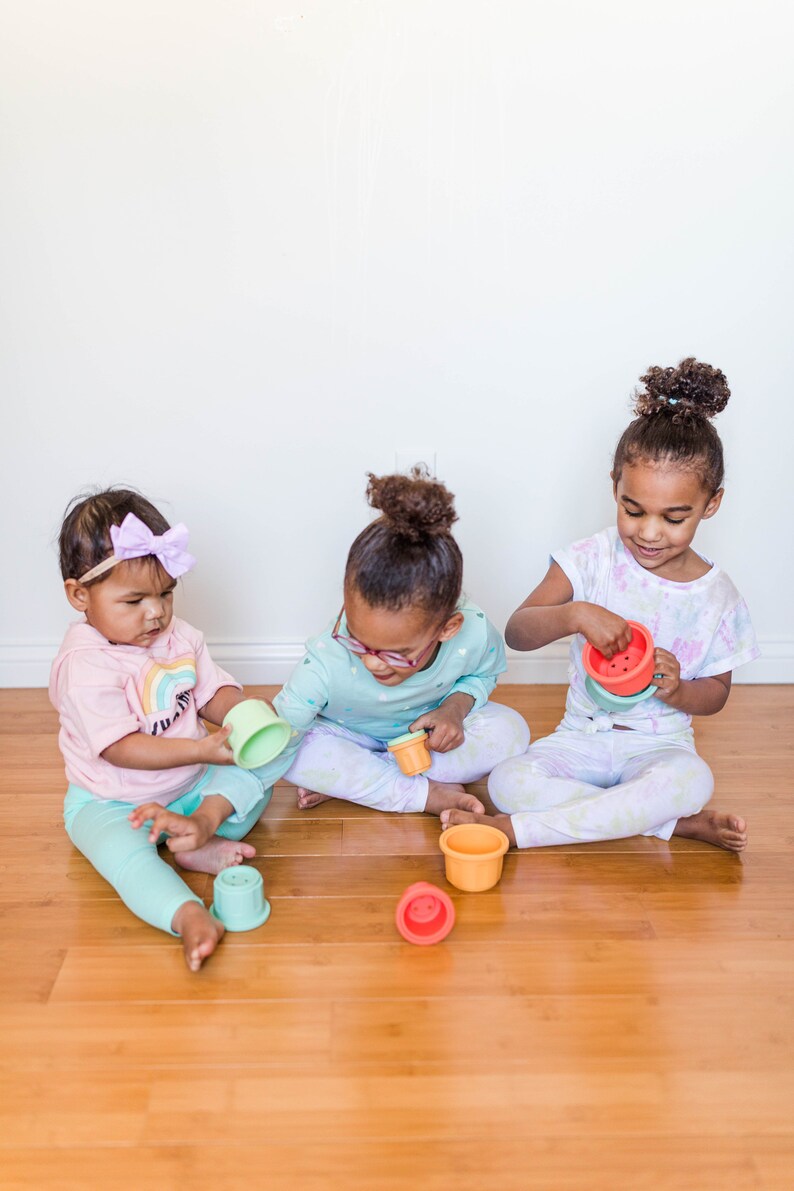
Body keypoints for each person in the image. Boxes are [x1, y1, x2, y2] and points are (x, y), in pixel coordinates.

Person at [441, 358, 759, 851]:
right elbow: (517, 632)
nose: (649, 532)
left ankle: (517, 832)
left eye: (674, 518)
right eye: (633, 510)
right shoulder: (591, 559)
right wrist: (575, 614)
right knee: (508, 782)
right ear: (615, 486)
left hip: (658, 747)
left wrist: (677, 690)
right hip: (581, 737)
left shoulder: (718, 596)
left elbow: (717, 693)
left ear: (711, 504)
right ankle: (667, 824)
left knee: (691, 781)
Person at [50, 488, 278, 971]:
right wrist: (201, 752)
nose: (155, 612)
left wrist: (246, 715)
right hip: (111, 800)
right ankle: (189, 915)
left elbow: (210, 692)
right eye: (134, 600)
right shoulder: (85, 666)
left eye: (166, 594)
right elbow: (120, 749)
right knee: (125, 859)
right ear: (79, 596)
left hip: (190, 786)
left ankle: (198, 834)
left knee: (266, 769)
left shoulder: (179, 637)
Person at [273, 468, 530, 815]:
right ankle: (423, 793)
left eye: (398, 653)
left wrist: (453, 710)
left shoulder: (474, 631)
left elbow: (482, 676)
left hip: (425, 739)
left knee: (511, 732)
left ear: (447, 628)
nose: (372, 662)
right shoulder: (326, 660)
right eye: (358, 639)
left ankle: (366, 782)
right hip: (350, 734)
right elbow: (281, 731)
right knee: (296, 755)